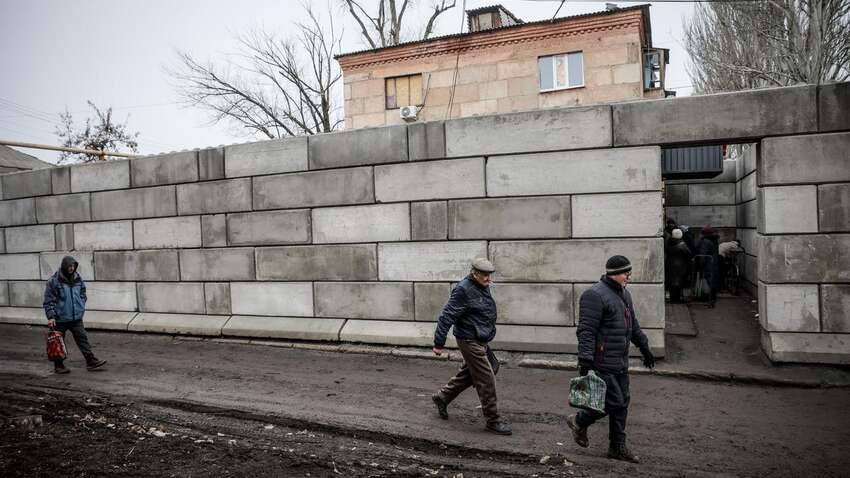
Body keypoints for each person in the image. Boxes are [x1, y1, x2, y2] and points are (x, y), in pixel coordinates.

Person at [567, 255, 655, 463]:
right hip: (601, 360)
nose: (629, 277)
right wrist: (585, 360)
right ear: (614, 274)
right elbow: (586, 331)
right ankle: (579, 420)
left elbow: (633, 326)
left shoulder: (624, 294)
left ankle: (617, 447)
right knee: (615, 401)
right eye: (626, 273)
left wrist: (645, 348)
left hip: (619, 360)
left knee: (623, 403)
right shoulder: (594, 295)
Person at [431, 258, 512, 435]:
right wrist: (439, 343)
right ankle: (493, 420)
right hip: (469, 339)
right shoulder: (463, 289)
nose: (488, 279)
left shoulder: (481, 285)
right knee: (486, 379)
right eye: (485, 275)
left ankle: (442, 397)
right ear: (474, 273)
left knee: (483, 369)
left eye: (489, 275)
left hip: (480, 338)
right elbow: (446, 316)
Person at [43, 256, 107, 374]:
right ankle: (59, 366)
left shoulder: (78, 278)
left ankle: (91, 361)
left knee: (83, 339)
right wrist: (51, 316)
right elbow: (48, 301)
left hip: (76, 317)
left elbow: (83, 292)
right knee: (57, 342)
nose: (72, 268)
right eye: (69, 266)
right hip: (60, 318)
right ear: (64, 266)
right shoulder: (54, 281)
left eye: (73, 266)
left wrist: (81, 304)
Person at [696, 226, 721, 307]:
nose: (700, 234)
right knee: (713, 283)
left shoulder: (705, 241)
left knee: (709, 282)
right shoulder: (714, 239)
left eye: (701, 233)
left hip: (708, 265)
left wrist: (700, 265)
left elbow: (703, 254)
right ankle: (713, 300)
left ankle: (710, 301)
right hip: (714, 263)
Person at [666, 229, 693, 303]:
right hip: (680, 266)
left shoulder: (668, 242)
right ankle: (677, 299)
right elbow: (689, 254)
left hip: (670, 264)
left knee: (672, 282)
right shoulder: (682, 244)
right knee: (679, 282)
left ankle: (673, 298)